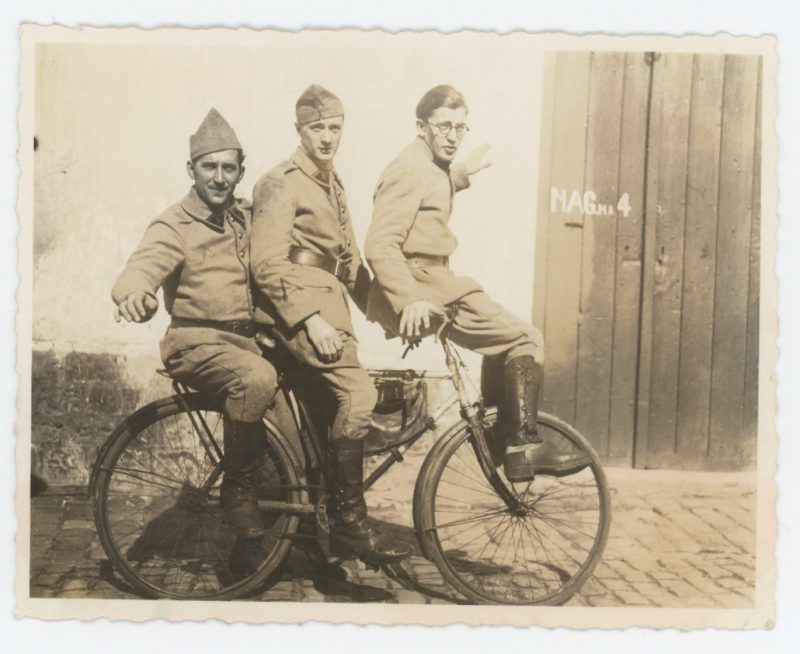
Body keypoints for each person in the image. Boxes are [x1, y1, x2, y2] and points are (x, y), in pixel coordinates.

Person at [365, 84, 590, 483]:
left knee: (501, 340)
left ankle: (497, 436)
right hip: (424, 285)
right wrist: (409, 300)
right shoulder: (409, 169)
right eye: (444, 126)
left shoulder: (424, 165)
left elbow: (427, 197)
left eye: (461, 127)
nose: (453, 135)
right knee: (526, 339)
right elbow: (379, 244)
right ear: (422, 126)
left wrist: (458, 176)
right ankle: (519, 445)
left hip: (433, 280)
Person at [250, 85, 412, 566]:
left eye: (334, 128)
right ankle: (348, 524)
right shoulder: (281, 181)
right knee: (359, 397)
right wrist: (310, 319)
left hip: (331, 312)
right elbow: (266, 265)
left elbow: (350, 267)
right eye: (316, 128)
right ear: (298, 130)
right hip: (297, 315)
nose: (326, 137)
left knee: (327, 425)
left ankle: (323, 535)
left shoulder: (331, 182)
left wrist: (393, 314)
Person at [112, 109, 279, 540]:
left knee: (293, 439)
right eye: (210, 167)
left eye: (229, 167)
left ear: (241, 171)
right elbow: (143, 266)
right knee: (257, 379)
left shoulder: (245, 216)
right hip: (196, 344)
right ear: (192, 169)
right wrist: (135, 293)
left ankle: (263, 547)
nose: (219, 177)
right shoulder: (175, 224)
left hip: (246, 347)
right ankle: (236, 494)